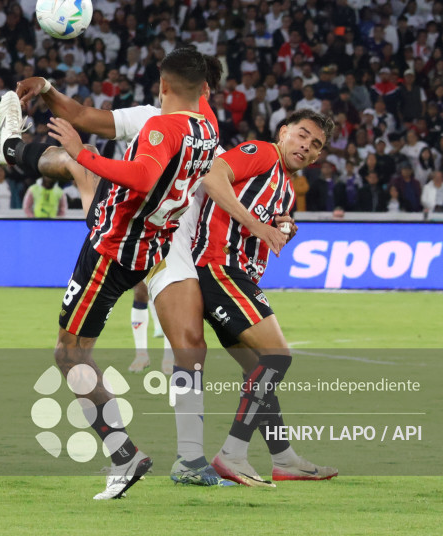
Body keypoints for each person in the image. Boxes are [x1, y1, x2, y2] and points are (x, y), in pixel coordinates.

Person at [36, 48, 219, 500]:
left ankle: (124, 454)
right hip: (147, 248)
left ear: (163, 85)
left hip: (111, 249)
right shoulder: (207, 128)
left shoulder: (160, 127)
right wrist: (46, 91)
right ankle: (158, 454)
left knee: (68, 355)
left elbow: (141, 176)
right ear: (204, 89)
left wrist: (82, 153)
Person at [191, 109, 338, 485]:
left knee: (259, 368)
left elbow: (263, 223)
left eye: (316, 145)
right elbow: (213, 176)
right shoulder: (261, 152)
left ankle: (284, 459)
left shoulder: (285, 186)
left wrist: (280, 226)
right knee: (277, 356)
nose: (306, 146)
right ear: (284, 131)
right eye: (302, 135)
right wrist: (257, 225)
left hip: (233, 274)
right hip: (218, 266)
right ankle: (232, 454)